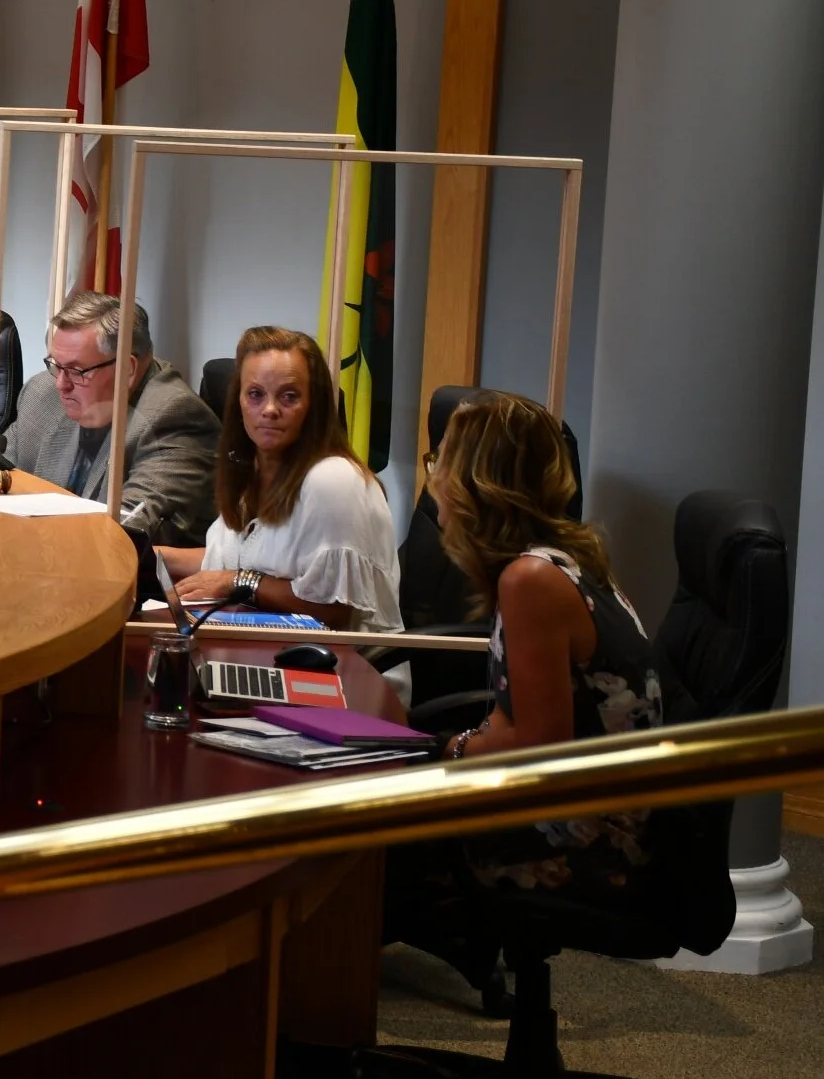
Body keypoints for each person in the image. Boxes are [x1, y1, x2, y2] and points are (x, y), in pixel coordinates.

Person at [387, 390, 664, 926]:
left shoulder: (530, 580)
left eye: (441, 462)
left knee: (353, 837)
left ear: (476, 483)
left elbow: (535, 750)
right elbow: (516, 717)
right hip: (591, 807)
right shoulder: (565, 555)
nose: (434, 480)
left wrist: (446, 750)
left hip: (584, 839)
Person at [157, 326, 399, 633]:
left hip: (338, 657)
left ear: (314, 405)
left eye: (289, 396)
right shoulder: (254, 468)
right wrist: (148, 556)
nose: (270, 410)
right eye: (255, 394)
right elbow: (227, 560)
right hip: (268, 642)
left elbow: (333, 612)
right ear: (238, 401)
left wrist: (239, 582)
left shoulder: (334, 479)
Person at [1, 291, 220, 546]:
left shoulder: (174, 418)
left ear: (127, 369)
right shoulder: (42, 395)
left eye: (76, 370)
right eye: (56, 365)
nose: (61, 384)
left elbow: (127, 529)